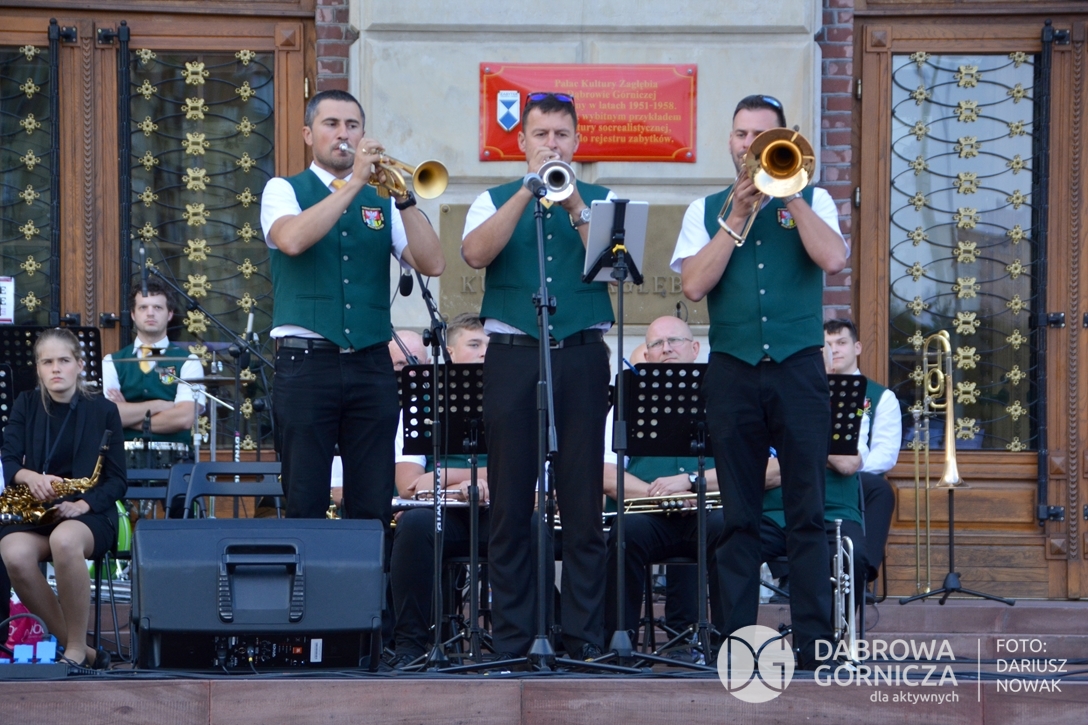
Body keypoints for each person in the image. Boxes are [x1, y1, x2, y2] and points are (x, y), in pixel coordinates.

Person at [671, 94, 848, 669]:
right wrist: (737, 216)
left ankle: (815, 643)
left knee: (807, 511)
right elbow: (694, 285)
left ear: (784, 140)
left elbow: (834, 259)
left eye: (761, 136)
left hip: (799, 368)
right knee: (739, 516)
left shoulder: (814, 198)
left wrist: (789, 194)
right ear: (730, 141)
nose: (750, 145)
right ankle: (737, 641)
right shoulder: (704, 210)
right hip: (732, 370)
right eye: (742, 134)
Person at [461, 91, 615, 660]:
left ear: (577, 142)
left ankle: (583, 640)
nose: (552, 144)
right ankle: (511, 641)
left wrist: (574, 204)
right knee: (508, 503)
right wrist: (527, 192)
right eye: (542, 135)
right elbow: (475, 254)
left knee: (582, 505)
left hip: (580, 354)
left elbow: (615, 267)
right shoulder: (491, 199)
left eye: (562, 135)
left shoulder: (602, 200)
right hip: (513, 356)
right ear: (522, 141)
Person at [260, 89, 445, 521]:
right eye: (331, 124)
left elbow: (433, 263)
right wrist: (356, 182)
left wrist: (404, 198)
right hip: (306, 363)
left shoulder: (383, 200)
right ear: (309, 134)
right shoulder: (283, 189)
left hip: (370, 362)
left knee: (372, 501)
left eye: (352, 125)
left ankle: (369, 569)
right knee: (305, 496)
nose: (343, 134)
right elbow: (292, 239)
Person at [0, 328, 126, 669]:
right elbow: (9, 460)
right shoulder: (26, 403)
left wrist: (83, 504)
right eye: (47, 362)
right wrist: (31, 478)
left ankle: (74, 650)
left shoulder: (104, 410)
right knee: (14, 553)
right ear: (38, 368)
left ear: (80, 365)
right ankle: (83, 651)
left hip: (90, 512)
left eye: (64, 360)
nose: (56, 368)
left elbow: (118, 481)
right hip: (40, 512)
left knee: (65, 541)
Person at [603, 316, 724, 649]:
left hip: (707, 513)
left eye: (675, 341)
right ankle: (619, 645)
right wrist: (660, 495)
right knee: (624, 534)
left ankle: (727, 643)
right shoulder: (624, 404)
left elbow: (749, 470)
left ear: (695, 348)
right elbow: (606, 475)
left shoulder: (725, 399)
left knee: (730, 529)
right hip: (649, 517)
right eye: (657, 343)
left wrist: (692, 483)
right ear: (647, 355)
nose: (666, 349)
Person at [389, 313, 490, 666]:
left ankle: (520, 645)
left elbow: (522, 473)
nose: (485, 352)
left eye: (490, 345)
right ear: (449, 353)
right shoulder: (420, 400)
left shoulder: (513, 398)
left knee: (531, 527)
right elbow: (408, 484)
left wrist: (446, 474)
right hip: (444, 516)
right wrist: (463, 484)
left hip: (497, 513)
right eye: (475, 344)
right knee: (414, 525)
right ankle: (410, 646)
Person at [824, 318, 902, 583]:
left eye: (841, 342)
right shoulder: (809, 391)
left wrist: (849, 466)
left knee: (880, 490)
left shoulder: (881, 396)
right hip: (818, 474)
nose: (834, 349)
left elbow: (886, 454)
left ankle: (861, 574)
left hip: (857, 477)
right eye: (828, 344)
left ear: (857, 347)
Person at [102, 277, 203, 448]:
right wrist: (159, 406)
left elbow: (184, 418)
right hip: (122, 459)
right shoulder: (111, 362)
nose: (150, 313)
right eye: (143, 307)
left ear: (169, 314)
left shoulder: (188, 362)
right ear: (133, 314)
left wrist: (127, 413)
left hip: (175, 460)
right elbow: (106, 416)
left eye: (157, 307)